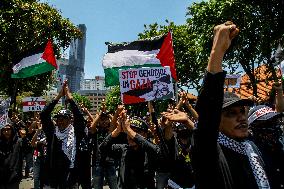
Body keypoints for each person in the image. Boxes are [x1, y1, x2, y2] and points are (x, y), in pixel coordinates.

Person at [189, 21, 270, 189]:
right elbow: (207, 115)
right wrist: (217, 51)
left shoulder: (250, 147)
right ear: (216, 122)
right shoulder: (209, 152)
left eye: (242, 111)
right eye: (231, 113)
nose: (241, 117)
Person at [40, 81, 86, 189]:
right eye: (58, 119)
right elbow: (44, 115)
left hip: (70, 177)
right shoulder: (52, 132)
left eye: (64, 119)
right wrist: (59, 96)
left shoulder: (76, 132)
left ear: (70, 120)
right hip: (52, 178)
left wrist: (70, 98)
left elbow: (79, 117)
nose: (60, 122)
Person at [100, 111, 158, 189]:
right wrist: (117, 130)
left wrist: (128, 129)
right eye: (129, 132)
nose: (131, 135)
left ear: (145, 134)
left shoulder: (149, 150)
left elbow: (156, 150)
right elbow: (103, 148)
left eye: (137, 131)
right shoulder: (123, 149)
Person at [248, 105, 284, 188]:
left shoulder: (280, 145)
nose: (274, 127)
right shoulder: (251, 155)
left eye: (275, 121)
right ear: (254, 128)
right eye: (268, 123)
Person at [91, 102, 118, 189]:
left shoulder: (110, 130)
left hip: (110, 161)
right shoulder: (96, 131)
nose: (104, 121)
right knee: (97, 186)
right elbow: (91, 128)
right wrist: (99, 115)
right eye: (102, 120)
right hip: (98, 162)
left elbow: (116, 123)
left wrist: (108, 113)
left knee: (114, 186)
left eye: (106, 119)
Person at [0, 123, 23, 189]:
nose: (6, 132)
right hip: (1, 178)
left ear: (12, 130)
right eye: (3, 130)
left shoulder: (19, 142)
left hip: (13, 178)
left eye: (8, 129)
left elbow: (29, 147)